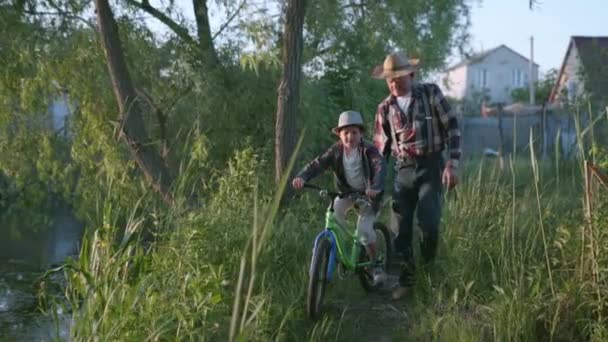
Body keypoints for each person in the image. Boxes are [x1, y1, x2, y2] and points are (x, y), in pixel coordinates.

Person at [371, 52, 461, 299]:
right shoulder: (385, 108)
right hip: (404, 169)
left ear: (411, 75)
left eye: (398, 77)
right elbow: (380, 151)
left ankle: (429, 276)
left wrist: (452, 164)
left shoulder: (430, 94)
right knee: (399, 228)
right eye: (389, 80)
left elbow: (452, 126)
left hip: (431, 166)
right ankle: (407, 280)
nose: (394, 83)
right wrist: (375, 185)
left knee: (429, 223)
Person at [292, 111, 387, 283]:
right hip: (347, 193)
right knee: (335, 214)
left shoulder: (368, 150)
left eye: (354, 132)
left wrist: (374, 187)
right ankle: (342, 254)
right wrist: (302, 177)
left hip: (368, 195)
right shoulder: (336, 150)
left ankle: (376, 264)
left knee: (365, 230)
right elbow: (318, 164)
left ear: (361, 134)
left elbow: (379, 166)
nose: (350, 136)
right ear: (340, 135)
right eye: (346, 133)